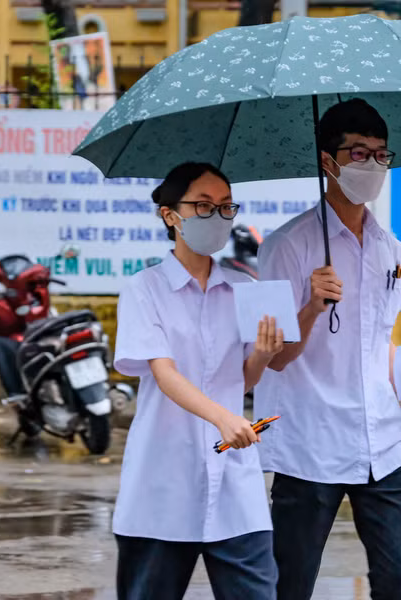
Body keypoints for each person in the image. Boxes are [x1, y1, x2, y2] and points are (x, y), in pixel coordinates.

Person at [254, 99, 401, 600]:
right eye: (358, 153)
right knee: (289, 584)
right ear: (328, 161)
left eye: (381, 155)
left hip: (382, 443)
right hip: (308, 443)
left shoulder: (391, 249)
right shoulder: (284, 247)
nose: (372, 166)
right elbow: (271, 359)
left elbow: (378, 343)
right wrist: (311, 308)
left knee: (398, 582)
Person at [112, 163, 283, 600]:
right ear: (170, 215)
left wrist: (263, 353)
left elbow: (243, 378)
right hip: (163, 477)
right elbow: (164, 373)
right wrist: (223, 418)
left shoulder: (244, 286)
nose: (217, 217)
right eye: (203, 206)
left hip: (234, 477)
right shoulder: (144, 288)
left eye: (225, 207)